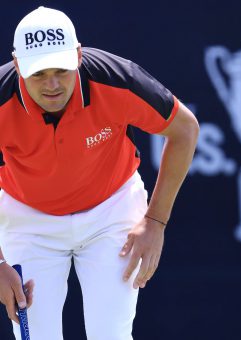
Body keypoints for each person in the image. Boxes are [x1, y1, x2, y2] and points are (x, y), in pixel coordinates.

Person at [0, 6, 199, 340]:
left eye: (61, 70)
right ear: (18, 65)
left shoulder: (117, 80)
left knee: (111, 335)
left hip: (111, 211)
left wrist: (156, 222)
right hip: (27, 221)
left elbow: (185, 130)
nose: (52, 85)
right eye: (38, 73)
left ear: (78, 56)